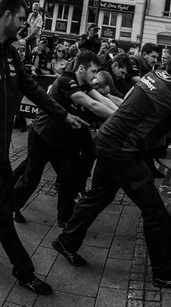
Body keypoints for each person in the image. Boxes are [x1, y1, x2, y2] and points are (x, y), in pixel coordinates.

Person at [52, 48, 171, 291]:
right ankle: (165, 273)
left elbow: (141, 108)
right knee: (155, 212)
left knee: (99, 195)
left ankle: (67, 241)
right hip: (121, 151)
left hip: (106, 140)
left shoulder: (155, 75)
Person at [0, 0, 87, 296]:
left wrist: (63, 114)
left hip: (0, 148)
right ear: (6, 16)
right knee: (3, 214)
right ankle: (24, 271)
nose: (25, 25)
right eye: (22, 19)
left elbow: (31, 88)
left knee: (9, 200)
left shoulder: (10, 52)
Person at [13, 51, 117, 226]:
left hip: (59, 139)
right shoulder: (65, 80)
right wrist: (120, 119)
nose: (94, 76)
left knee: (67, 178)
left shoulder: (84, 84)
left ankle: (64, 218)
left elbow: (101, 99)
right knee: (31, 178)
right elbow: (92, 104)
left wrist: (120, 113)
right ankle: (12, 206)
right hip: (42, 136)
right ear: (81, 68)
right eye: (93, 71)